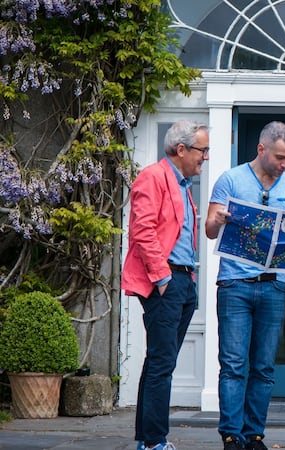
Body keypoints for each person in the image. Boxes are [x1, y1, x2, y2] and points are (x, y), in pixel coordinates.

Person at [206, 121, 285, 450]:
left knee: (264, 366)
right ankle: (232, 434)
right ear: (261, 149)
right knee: (234, 363)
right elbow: (208, 230)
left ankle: (255, 435)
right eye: (280, 157)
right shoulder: (230, 179)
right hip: (235, 283)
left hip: (275, 287)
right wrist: (218, 220)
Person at [121, 119, 210, 450]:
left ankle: (147, 438)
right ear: (182, 149)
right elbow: (142, 230)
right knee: (162, 363)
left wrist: (186, 278)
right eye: (203, 150)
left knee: (160, 360)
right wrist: (161, 277)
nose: (206, 157)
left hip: (183, 279)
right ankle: (155, 441)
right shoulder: (153, 177)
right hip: (166, 280)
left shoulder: (183, 185)